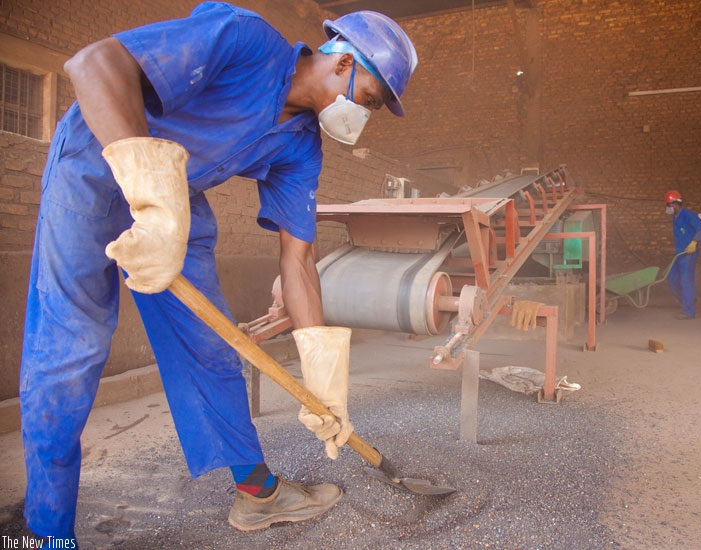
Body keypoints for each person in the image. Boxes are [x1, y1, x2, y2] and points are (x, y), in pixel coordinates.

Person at [18, 2, 417, 544]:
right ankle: (46, 533)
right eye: (368, 99)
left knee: (211, 348)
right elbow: (93, 64)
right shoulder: (246, 40)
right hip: (91, 169)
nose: (363, 116)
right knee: (72, 352)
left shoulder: (301, 146)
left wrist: (324, 376)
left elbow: (297, 259)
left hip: (174, 206)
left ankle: (258, 495)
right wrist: (151, 199)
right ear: (344, 62)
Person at [664, 190, 701, 319]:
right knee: (671, 278)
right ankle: (688, 300)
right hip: (679, 253)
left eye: (668, 205)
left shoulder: (688, 215)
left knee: (686, 280)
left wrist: (694, 242)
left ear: (675, 204)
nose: (667, 208)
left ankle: (689, 311)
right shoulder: (675, 217)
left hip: (689, 253)